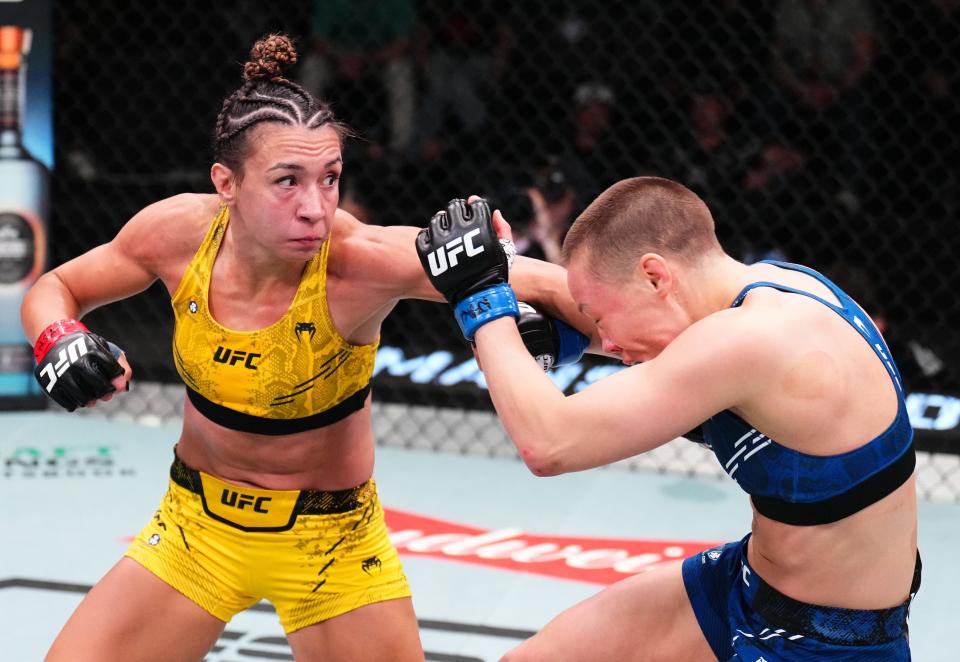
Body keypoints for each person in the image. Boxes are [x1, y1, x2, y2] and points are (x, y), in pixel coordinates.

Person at [21, 34, 582, 662]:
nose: (316, 207)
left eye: (331, 178)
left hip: (331, 543)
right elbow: (57, 286)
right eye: (287, 181)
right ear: (225, 183)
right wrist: (57, 338)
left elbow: (571, 290)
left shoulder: (360, 262)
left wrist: (664, 330)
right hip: (195, 528)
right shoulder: (178, 233)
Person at [415, 176, 920, 660]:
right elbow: (654, 336)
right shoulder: (776, 287)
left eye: (600, 316)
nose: (606, 341)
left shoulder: (753, 340)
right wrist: (518, 289)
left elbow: (550, 444)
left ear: (656, 275)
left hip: (827, 647)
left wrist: (479, 298)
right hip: (748, 587)